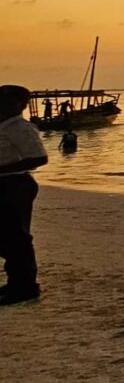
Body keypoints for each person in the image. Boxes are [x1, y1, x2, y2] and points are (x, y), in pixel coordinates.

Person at [0, 85, 49, 305]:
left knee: (17, 237)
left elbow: (39, 158)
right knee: (6, 236)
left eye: (5, 100)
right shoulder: (3, 126)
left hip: (15, 185)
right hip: (6, 183)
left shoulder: (21, 128)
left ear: (20, 105)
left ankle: (25, 287)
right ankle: (15, 282)